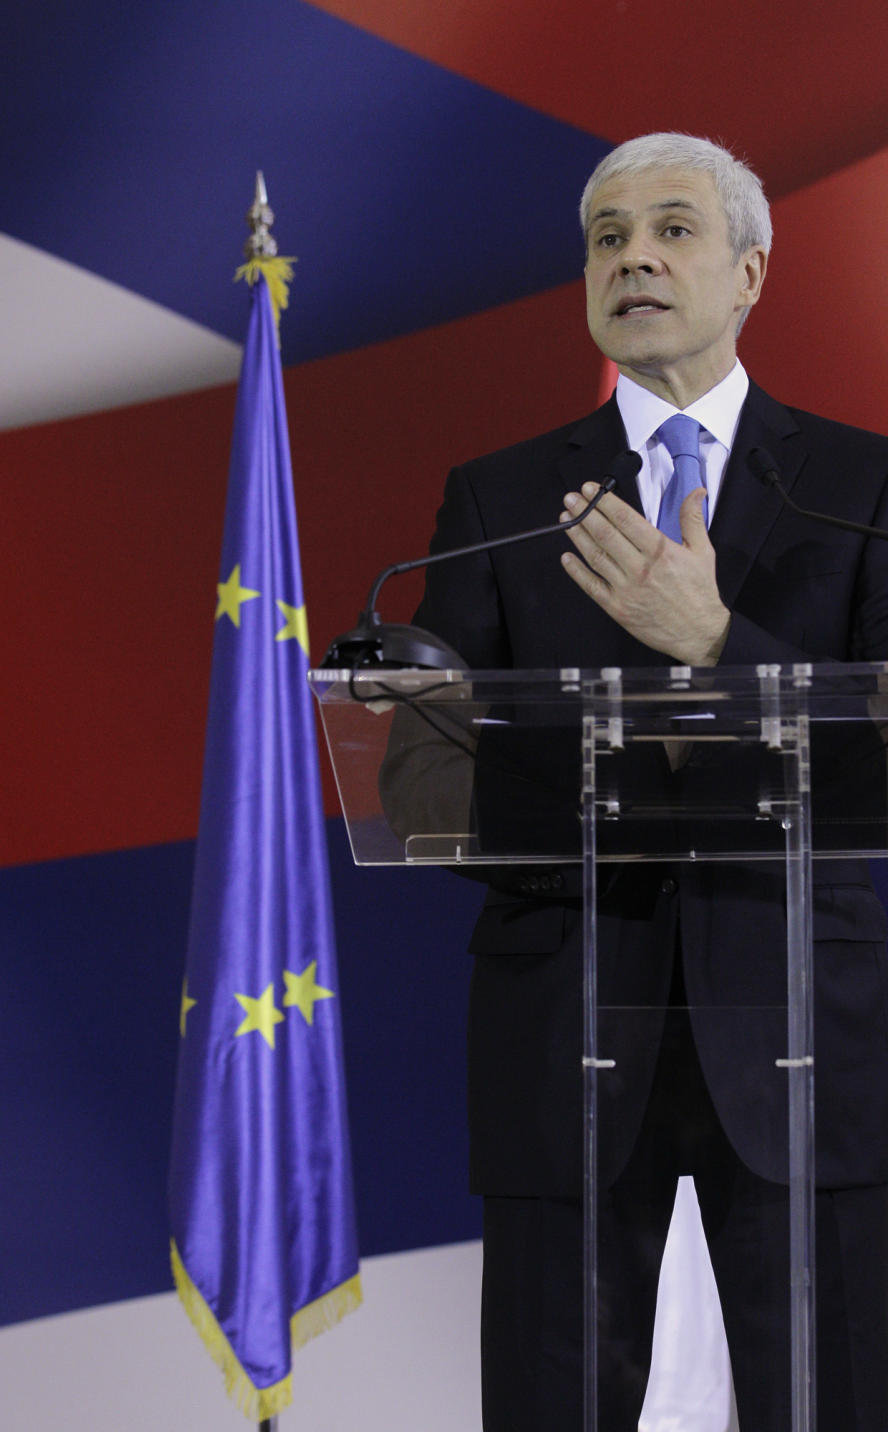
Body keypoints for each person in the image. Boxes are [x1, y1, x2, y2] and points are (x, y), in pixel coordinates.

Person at [407, 134, 888, 1429]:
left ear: (751, 271)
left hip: (805, 1048)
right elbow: (421, 783)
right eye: (607, 238)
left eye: (671, 230)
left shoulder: (865, 489)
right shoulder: (502, 499)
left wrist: (721, 649)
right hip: (567, 1037)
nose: (633, 258)